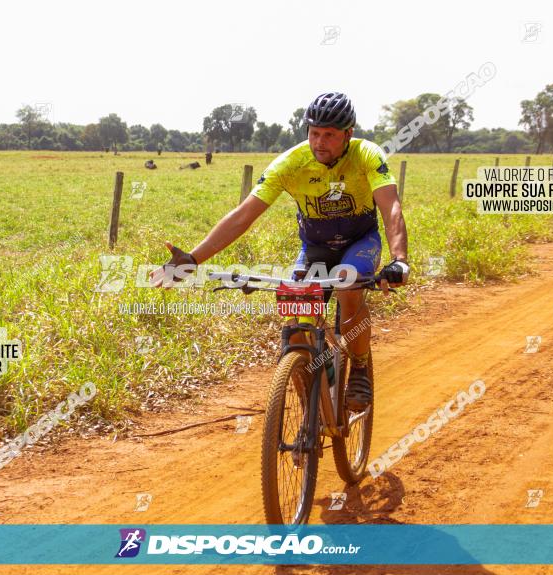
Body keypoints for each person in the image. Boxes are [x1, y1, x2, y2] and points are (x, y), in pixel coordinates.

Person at [152, 92, 409, 411]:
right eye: (314, 133)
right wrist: (192, 259)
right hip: (315, 248)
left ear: (348, 134)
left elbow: (390, 206)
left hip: (360, 242)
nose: (320, 142)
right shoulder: (291, 163)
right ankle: (311, 403)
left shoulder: (367, 155)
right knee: (296, 324)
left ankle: (358, 366)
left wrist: (399, 260)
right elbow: (243, 215)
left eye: (329, 135)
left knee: (348, 284)